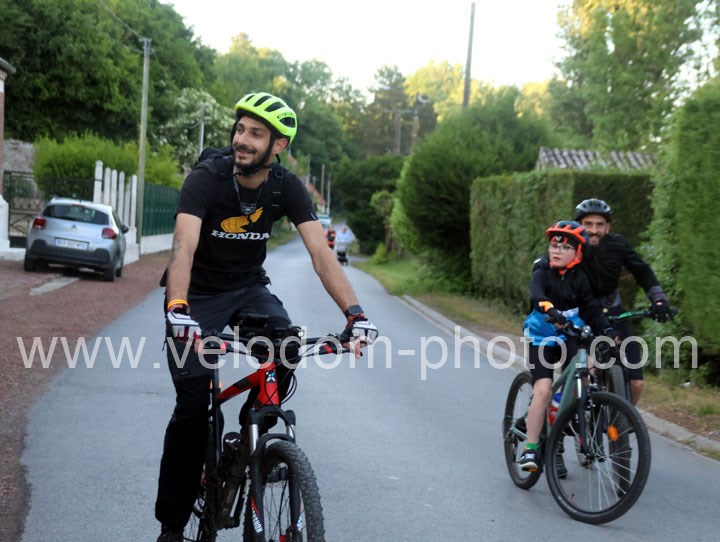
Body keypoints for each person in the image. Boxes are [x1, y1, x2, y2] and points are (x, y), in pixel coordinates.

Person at [155, 91, 378, 542]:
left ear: (278, 145)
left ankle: (251, 445)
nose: (242, 139)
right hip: (196, 295)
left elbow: (321, 253)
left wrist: (356, 315)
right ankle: (173, 526)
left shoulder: (285, 186)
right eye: (240, 129)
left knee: (287, 348)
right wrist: (178, 308)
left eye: (255, 134)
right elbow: (184, 245)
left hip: (248, 290)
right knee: (193, 409)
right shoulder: (206, 178)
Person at [519, 220, 617, 475]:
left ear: (577, 253)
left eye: (565, 248)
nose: (557, 251)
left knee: (587, 371)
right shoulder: (542, 271)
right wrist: (551, 310)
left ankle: (569, 412)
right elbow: (537, 296)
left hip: (568, 336)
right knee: (543, 390)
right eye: (554, 246)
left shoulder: (580, 278)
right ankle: (530, 448)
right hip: (541, 338)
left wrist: (607, 331)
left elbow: (591, 310)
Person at [574, 198, 671, 405]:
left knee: (637, 383)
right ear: (579, 225)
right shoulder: (571, 248)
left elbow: (642, 272)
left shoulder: (618, 245)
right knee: (585, 374)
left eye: (600, 225)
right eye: (588, 224)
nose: (594, 230)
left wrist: (659, 300)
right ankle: (577, 415)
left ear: (608, 227)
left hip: (615, 314)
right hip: (584, 318)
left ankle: (625, 421)